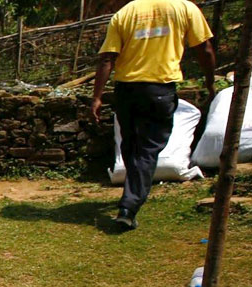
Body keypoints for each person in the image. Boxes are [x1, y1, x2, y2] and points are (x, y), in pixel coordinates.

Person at [90, 0, 215, 230]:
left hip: (126, 91)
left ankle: (131, 196)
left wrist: (97, 96)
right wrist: (209, 82)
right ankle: (128, 207)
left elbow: (108, 58)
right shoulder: (185, 8)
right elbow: (204, 49)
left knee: (131, 146)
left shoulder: (126, 12)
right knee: (147, 149)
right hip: (159, 89)